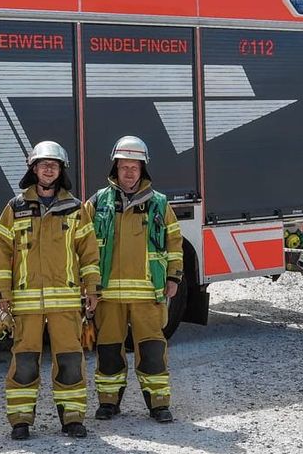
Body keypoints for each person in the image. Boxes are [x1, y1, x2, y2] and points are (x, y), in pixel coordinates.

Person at [0, 140, 100, 441]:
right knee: (24, 363)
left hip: (65, 302)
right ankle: (21, 421)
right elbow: (0, 250)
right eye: (42, 164)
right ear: (33, 169)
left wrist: (91, 288)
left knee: (69, 360)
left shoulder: (76, 209)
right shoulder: (15, 208)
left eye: (53, 164)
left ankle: (73, 418)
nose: (48, 169)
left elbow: (89, 253)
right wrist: (3, 291)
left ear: (61, 171)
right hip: (25, 303)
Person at [85, 135, 183, 424]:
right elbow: (84, 246)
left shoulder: (159, 204)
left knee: (153, 351)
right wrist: (88, 287)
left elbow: (174, 244)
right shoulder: (97, 203)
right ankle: (108, 403)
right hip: (108, 295)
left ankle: (158, 404)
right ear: (115, 169)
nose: (129, 172)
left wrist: (174, 277)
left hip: (147, 294)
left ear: (143, 170)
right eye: (124, 166)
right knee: (109, 351)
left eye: (134, 167)